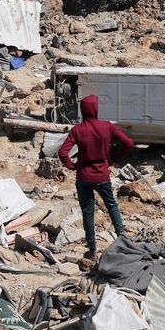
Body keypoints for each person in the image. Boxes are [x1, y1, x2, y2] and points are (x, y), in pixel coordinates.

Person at [58, 94, 135, 262]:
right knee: (112, 205)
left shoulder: (77, 130)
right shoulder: (107, 127)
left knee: (88, 212)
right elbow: (128, 143)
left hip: (84, 176)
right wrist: (113, 158)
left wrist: (73, 166)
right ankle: (122, 239)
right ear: (96, 109)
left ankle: (92, 251)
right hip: (102, 174)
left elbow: (62, 153)